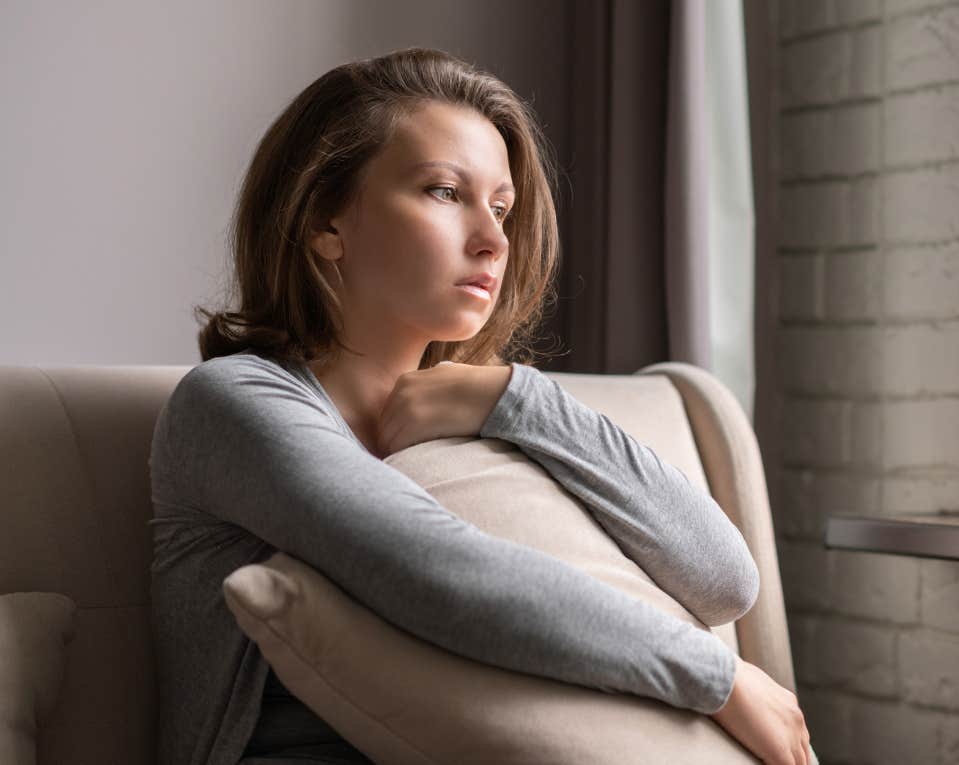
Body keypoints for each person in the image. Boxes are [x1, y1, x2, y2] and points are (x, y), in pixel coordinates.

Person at [147, 47, 812, 765]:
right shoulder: (232, 403)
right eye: (443, 191)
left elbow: (723, 579)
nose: (494, 239)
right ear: (324, 222)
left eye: (501, 206)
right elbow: (434, 574)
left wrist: (518, 396)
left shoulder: (495, 418)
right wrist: (719, 679)